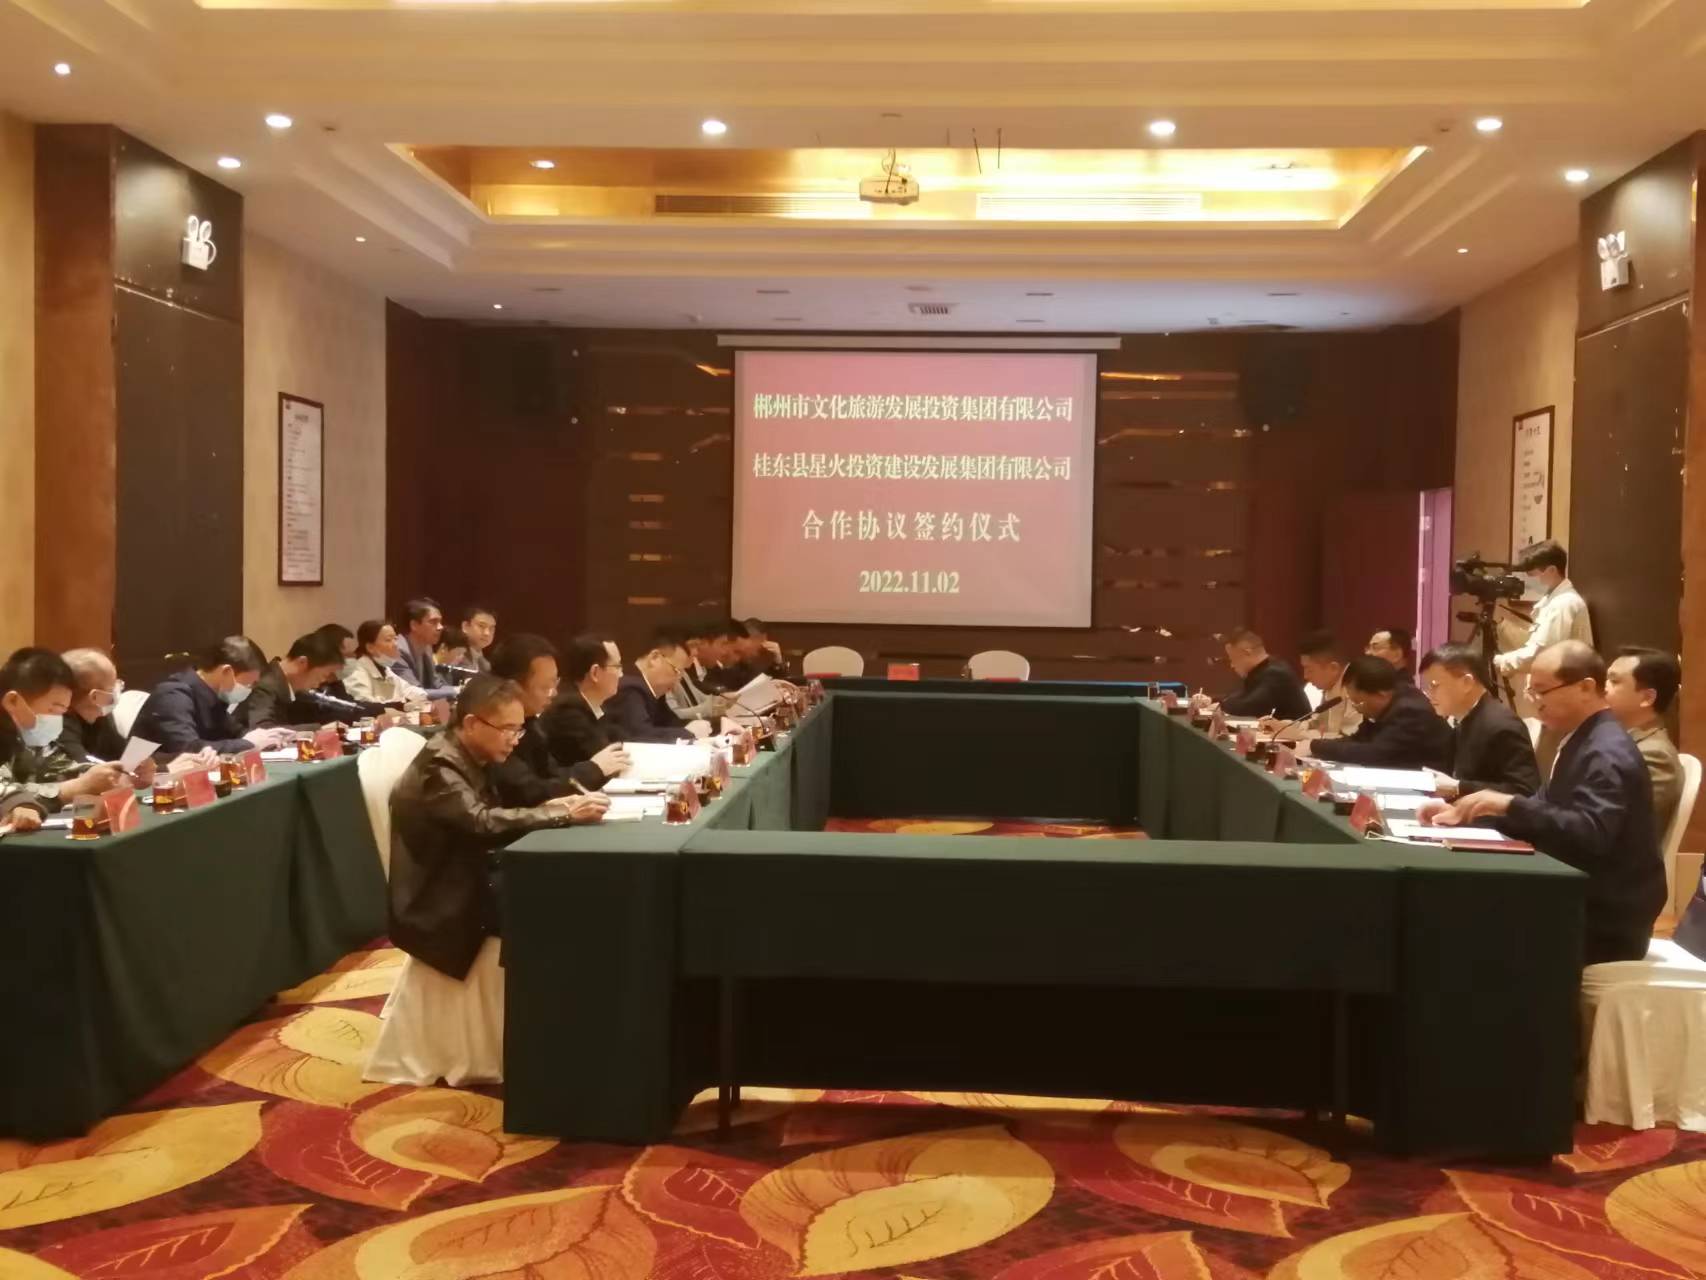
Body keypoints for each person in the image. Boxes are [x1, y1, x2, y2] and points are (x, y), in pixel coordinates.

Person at [363, 675, 608, 1087]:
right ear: (473, 723)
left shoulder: (473, 754)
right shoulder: (440, 766)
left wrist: (557, 803)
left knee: (561, 889)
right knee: (555, 899)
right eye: (508, 729)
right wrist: (560, 814)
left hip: (468, 874)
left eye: (520, 729)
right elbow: (480, 823)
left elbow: (500, 808)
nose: (515, 739)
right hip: (441, 899)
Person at [1425, 641, 1664, 965]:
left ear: (1585, 688)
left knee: (1459, 923)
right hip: (1574, 895)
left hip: (1602, 919)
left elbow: (1590, 831)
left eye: (1541, 691)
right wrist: (1467, 814)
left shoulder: (1605, 751)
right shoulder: (1584, 737)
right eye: (1530, 690)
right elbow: (1543, 811)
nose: (1532, 700)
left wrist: (1508, 804)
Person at [487, 633, 630, 804]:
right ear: (513, 687)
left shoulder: (530, 724)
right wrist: (594, 769)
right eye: (545, 687)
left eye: (555, 684)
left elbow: (550, 774)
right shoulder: (494, 729)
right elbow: (527, 793)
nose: (554, 693)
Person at [1, 648, 125, 813]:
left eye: (63, 712)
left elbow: (56, 767)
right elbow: (5, 792)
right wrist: (73, 789)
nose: (57, 720)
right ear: (13, 701)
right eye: (53, 709)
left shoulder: (30, 735)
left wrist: (104, 775)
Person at [1417, 643, 1540, 797]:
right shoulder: (1462, 717)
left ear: (1466, 683)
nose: (1428, 694)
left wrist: (1458, 787)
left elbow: (1525, 791)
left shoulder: (1502, 725)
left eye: (1434, 685)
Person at [1309, 655, 1453, 770]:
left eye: (1358, 702)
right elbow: (1359, 740)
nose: (1356, 708)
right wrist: (1317, 745)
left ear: (1381, 694)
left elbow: (1374, 754)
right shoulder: (1385, 704)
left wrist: (1316, 746)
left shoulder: (1410, 711)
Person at [1605, 646, 1684, 838]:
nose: (1602, 688)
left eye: (1614, 681)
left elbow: (1617, 825)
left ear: (1647, 698)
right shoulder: (1615, 740)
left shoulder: (1654, 755)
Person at [56, 648, 159, 785]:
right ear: (95, 697)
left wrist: (143, 768)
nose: (119, 688)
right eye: (112, 687)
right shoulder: (57, 725)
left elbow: (125, 759)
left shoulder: (101, 717)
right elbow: (87, 777)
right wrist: (128, 778)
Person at [541, 634, 627, 773]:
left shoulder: (594, 706)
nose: (621, 674)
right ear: (595, 673)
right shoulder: (568, 712)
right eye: (617, 666)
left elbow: (620, 740)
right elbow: (607, 760)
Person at [603, 631, 705, 742]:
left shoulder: (653, 689)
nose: (678, 680)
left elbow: (671, 723)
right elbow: (640, 735)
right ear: (654, 658)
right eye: (676, 671)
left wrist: (704, 725)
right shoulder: (629, 688)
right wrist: (687, 732)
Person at [237, 631, 349, 732]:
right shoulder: (266, 685)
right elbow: (263, 729)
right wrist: (318, 729)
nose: (323, 681)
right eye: (324, 675)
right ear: (302, 662)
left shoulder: (288, 685)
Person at [1268, 629, 1362, 740]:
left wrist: (1299, 735)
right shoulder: (1331, 686)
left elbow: (1350, 739)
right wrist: (1284, 726)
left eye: (1309, 669)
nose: (1305, 676)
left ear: (1333, 668)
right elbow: (1316, 724)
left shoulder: (1357, 688)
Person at [1200, 628, 1310, 720]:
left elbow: (1250, 706)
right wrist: (1211, 700)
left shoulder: (1276, 673)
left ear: (1247, 652)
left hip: (1295, 736)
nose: (1232, 665)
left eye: (1232, 658)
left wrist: (1220, 706)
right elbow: (1241, 695)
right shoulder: (1261, 670)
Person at [344, 620, 424, 708]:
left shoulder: (385, 669)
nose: (396, 644)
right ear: (370, 647)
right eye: (388, 640)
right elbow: (364, 704)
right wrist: (400, 703)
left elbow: (408, 690)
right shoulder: (355, 671)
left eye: (395, 639)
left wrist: (425, 696)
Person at [668, 620, 734, 724]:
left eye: (696, 646)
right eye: (691, 646)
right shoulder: (663, 676)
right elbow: (673, 715)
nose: (695, 652)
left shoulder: (683, 673)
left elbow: (701, 699)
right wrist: (710, 708)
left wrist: (723, 700)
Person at [392, 598, 455, 702]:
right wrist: (457, 691)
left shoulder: (427, 647)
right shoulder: (397, 651)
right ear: (414, 625)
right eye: (433, 622)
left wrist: (463, 690)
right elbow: (414, 693)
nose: (440, 627)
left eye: (440, 622)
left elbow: (437, 685)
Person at [460, 605, 497, 675]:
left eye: (491, 628)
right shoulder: (455, 657)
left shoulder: (488, 665)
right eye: (481, 626)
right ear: (465, 626)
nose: (487, 633)